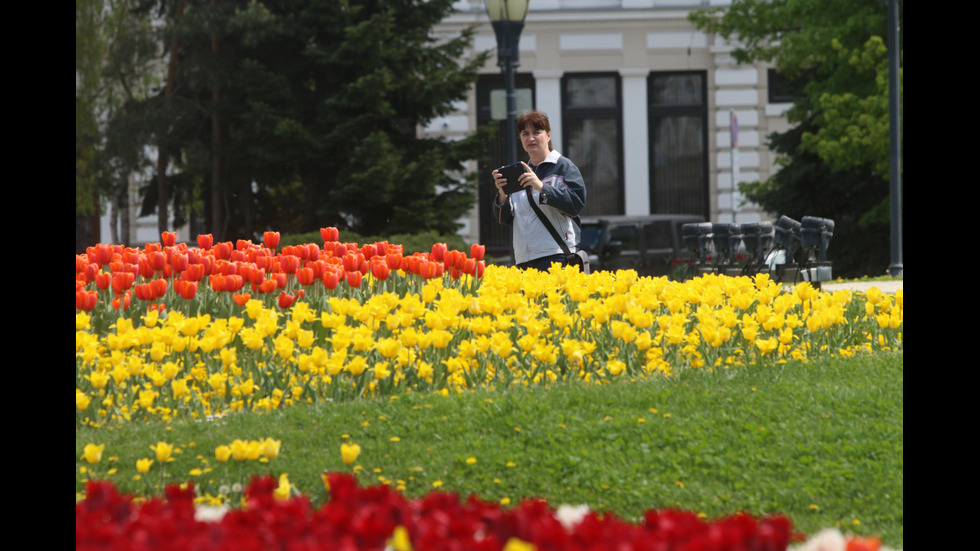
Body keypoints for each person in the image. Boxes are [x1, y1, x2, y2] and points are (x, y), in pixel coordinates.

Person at [492, 111, 587, 271]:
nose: (531, 138)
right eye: (525, 133)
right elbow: (505, 219)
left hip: (556, 255)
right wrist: (502, 194)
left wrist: (542, 187)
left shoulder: (563, 166)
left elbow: (576, 204)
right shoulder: (517, 172)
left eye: (537, 132)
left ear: (548, 135)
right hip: (523, 259)